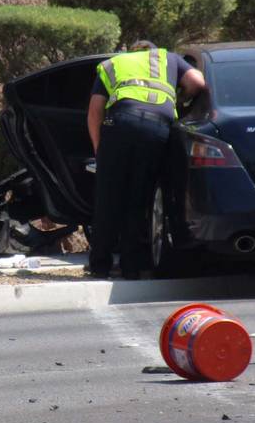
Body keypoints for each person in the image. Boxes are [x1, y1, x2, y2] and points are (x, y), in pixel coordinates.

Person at [86, 41, 206, 279]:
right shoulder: (167, 58)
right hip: (156, 127)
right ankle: (131, 267)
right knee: (139, 198)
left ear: (132, 52)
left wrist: (100, 150)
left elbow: (94, 111)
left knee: (108, 198)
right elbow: (197, 82)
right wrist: (180, 99)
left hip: (120, 123)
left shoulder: (114, 64)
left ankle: (100, 266)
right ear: (152, 50)